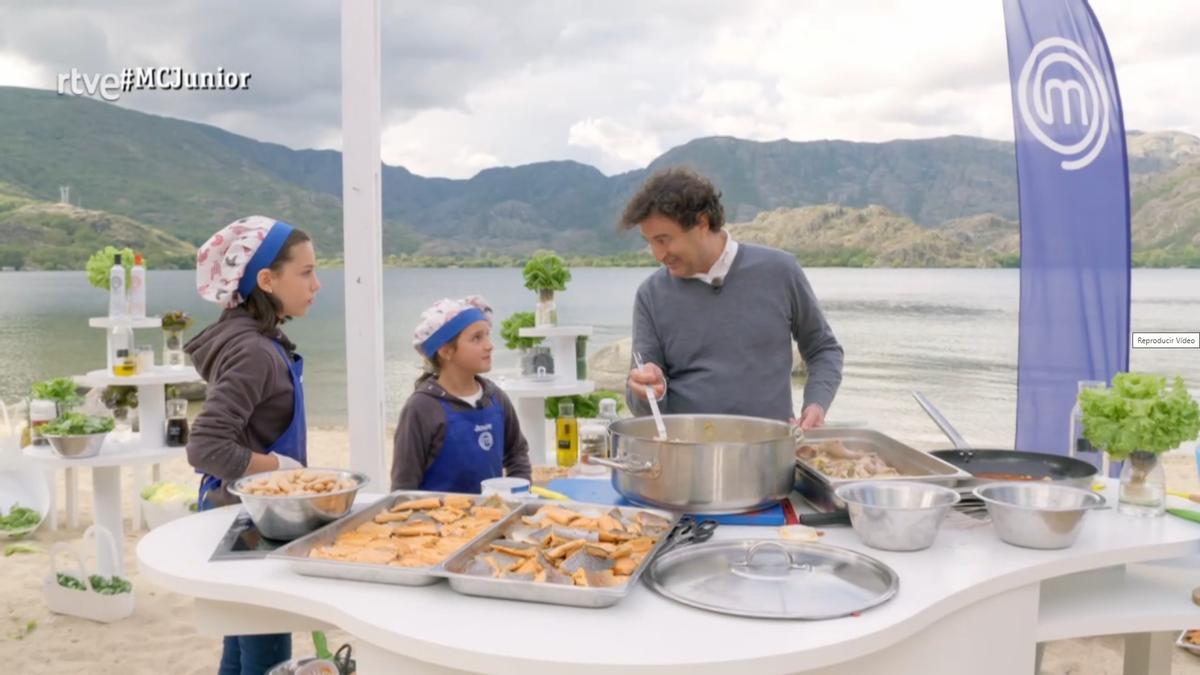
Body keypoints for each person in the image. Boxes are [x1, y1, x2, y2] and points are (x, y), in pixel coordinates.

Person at [185, 215, 320, 674]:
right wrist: (281, 466)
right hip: (246, 524)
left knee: (240, 647)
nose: (316, 284)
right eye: (305, 272)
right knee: (266, 654)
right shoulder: (255, 351)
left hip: (243, 516)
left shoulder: (259, 339)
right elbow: (205, 446)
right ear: (266, 279)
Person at [620, 166, 844, 428]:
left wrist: (816, 403)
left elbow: (824, 350)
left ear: (702, 223)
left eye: (664, 239)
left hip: (769, 455)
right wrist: (646, 391)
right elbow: (641, 405)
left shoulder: (780, 271)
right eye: (650, 242)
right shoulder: (651, 294)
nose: (658, 254)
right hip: (685, 456)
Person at [391, 296, 531, 492]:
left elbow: (517, 455)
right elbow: (403, 486)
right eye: (477, 338)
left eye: (487, 335)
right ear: (446, 351)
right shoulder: (421, 408)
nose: (489, 345)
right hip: (436, 520)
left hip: (492, 516)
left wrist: (518, 496)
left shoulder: (496, 399)